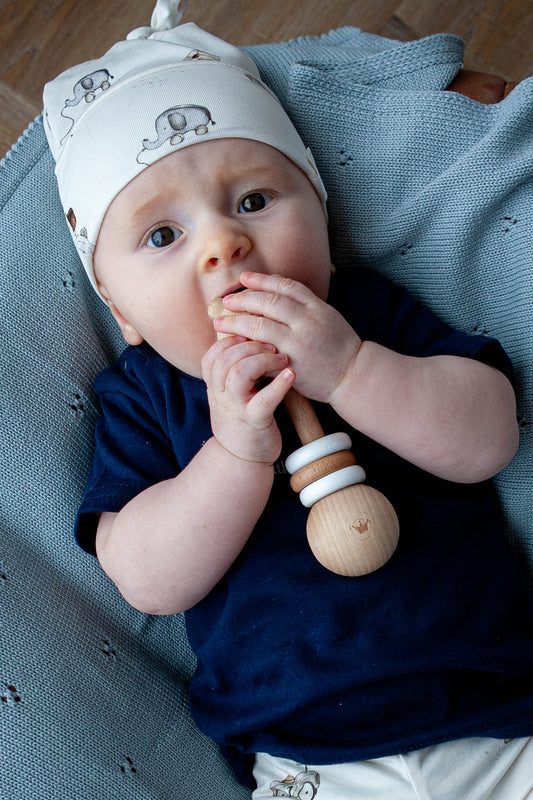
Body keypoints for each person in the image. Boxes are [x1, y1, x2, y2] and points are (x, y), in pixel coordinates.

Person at [43, 1, 533, 797]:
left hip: (498, 709)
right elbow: (145, 578)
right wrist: (233, 455)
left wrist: (350, 373)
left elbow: (488, 437)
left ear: (322, 216)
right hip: (310, 756)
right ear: (123, 313)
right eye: (163, 237)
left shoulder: (366, 318)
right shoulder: (146, 397)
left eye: (253, 201)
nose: (222, 244)